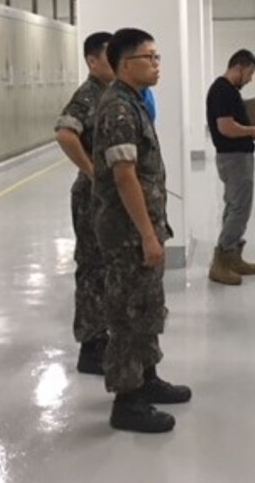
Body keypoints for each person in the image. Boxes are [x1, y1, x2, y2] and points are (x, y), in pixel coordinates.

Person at [92, 28, 191, 433]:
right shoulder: (117, 108)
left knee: (148, 308)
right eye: (149, 57)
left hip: (144, 226)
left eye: (157, 56)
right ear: (124, 64)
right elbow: (124, 176)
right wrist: (148, 235)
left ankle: (147, 379)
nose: (156, 64)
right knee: (129, 314)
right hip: (128, 233)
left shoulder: (134, 103)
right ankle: (127, 401)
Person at [55, 31, 115, 375]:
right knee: (92, 268)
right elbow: (65, 132)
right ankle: (91, 346)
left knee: (105, 267)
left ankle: (101, 335)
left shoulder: (111, 93)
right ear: (92, 61)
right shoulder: (88, 95)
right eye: (109, 58)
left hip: (106, 196)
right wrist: (93, 172)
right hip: (91, 198)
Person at [205, 49, 255, 286]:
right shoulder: (222, 90)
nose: (250, 79)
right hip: (234, 158)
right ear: (239, 68)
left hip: (237, 156)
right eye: (250, 73)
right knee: (239, 209)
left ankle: (233, 257)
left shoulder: (229, 90)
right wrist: (253, 131)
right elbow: (226, 127)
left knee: (235, 207)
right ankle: (221, 261)